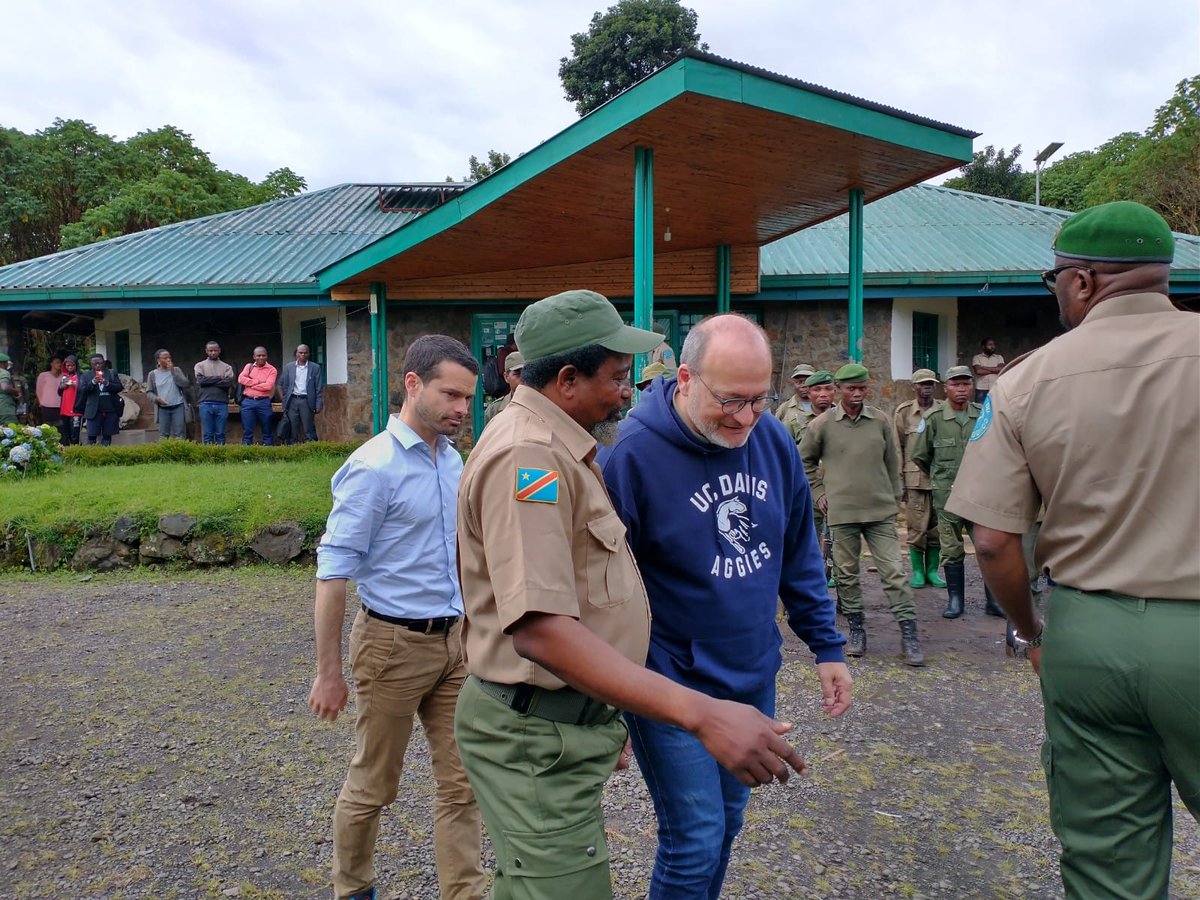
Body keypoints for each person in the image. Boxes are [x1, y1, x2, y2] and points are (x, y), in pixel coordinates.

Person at [455, 289, 810, 900]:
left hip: (568, 722)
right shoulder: (529, 459)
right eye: (618, 378)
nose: (630, 391)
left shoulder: (562, 444)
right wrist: (700, 712)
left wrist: (608, 712)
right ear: (567, 379)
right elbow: (539, 627)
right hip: (536, 732)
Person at [946, 200, 1199, 899]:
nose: (1054, 292)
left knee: (1109, 866)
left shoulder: (1026, 380)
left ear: (1083, 282)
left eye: (1053, 278)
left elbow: (993, 539)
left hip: (1090, 633)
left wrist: (1030, 630)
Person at [598, 314, 851, 898]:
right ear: (685, 378)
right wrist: (614, 706)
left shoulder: (771, 439)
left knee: (730, 823)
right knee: (695, 838)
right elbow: (606, 592)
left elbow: (797, 549)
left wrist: (827, 646)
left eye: (760, 399)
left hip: (752, 671)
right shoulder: (631, 456)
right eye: (731, 401)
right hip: (673, 681)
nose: (745, 418)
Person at [308, 335, 485, 900]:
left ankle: (465, 892)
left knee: (463, 785)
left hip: (455, 645)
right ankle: (352, 888)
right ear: (413, 384)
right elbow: (332, 573)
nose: (462, 408)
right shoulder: (372, 468)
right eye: (450, 394)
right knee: (374, 784)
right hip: (391, 645)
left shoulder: (453, 460)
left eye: (467, 398)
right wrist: (328, 671)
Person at [800, 364, 924, 666]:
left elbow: (892, 462)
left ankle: (910, 636)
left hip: (880, 511)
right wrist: (819, 494)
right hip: (842, 513)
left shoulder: (880, 420)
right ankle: (856, 631)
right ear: (839, 389)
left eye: (862, 389)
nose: (857, 394)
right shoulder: (822, 425)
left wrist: (895, 500)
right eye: (850, 389)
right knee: (846, 573)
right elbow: (802, 462)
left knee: (894, 573)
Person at [911, 366, 995, 619]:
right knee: (951, 549)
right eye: (956, 384)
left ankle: (994, 602)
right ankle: (956, 600)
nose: (961, 389)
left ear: (972, 387)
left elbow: (994, 450)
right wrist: (940, 477)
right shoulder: (934, 417)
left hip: (979, 496)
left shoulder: (982, 415)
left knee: (987, 548)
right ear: (945, 388)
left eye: (966, 384)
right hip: (947, 497)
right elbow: (920, 455)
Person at [893, 369, 946, 589]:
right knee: (916, 527)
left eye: (931, 384)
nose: (927, 387)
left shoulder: (943, 409)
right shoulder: (904, 412)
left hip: (940, 478)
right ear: (914, 387)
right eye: (923, 384)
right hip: (914, 480)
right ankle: (917, 571)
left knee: (937, 528)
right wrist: (899, 480)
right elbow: (897, 448)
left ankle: (932, 571)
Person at [800, 369, 839, 588]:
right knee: (808, 542)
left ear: (834, 392)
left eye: (827, 389)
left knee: (840, 546)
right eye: (817, 389)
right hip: (806, 492)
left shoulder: (844, 419)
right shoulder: (796, 420)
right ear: (808, 393)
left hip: (839, 491)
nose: (823, 394)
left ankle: (842, 591)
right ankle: (810, 584)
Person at [278, 343, 324, 443]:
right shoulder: (289, 367)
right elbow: (282, 385)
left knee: (308, 428)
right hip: (292, 400)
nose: (303, 355)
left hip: (307, 401)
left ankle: (310, 449)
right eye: (301, 352)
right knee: (293, 427)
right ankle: (293, 449)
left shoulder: (315, 368)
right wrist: (284, 401)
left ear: (308, 354)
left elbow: (318, 388)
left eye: (305, 353)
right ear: (296, 354)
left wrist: (318, 403)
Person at [145, 349, 191, 440]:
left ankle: (181, 452)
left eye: (169, 357)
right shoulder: (152, 374)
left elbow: (185, 384)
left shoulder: (176, 370)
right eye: (165, 358)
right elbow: (149, 392)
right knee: (163, 434)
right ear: (158, 360)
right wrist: (157, 399)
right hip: (163, 408)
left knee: (180, 433)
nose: (168, 360)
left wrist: (173, 371)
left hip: (178, 406)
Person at [194, 341, 234, 445]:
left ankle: (220, 457)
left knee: (220, 433)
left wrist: (208, 381)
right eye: (210, 350)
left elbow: (228, 383)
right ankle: (208, 458)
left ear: (219, 351)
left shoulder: (227, 367)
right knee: (208, 433)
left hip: (221, 403)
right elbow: (201, 381)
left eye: (215, 350)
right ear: (206, 351)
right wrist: (219, 378)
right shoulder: (200, 365)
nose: (213, 353)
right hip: (205, 403)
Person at [77, 354, 122, 445]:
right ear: (91, 364)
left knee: (107, 436)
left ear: (104, 363)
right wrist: (93, 382)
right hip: (93, 411)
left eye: (100, 363)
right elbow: (82, 390)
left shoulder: (111, 373)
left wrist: (107, 383)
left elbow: (119, 387)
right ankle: (92, 456)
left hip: (110, 409)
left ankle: (105, 454)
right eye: (95, 363)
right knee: (91, 436)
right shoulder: (86, 376)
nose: (97, 365)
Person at [237, 347, 278, 445]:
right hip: (248, 402)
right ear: (254, 357)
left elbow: (268, 386)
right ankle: (246, 454)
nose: (261, 357)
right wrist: (258, 382)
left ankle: (267, 454)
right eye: (258, 355)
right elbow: (241, 379)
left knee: (267, 430)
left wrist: (250, 384)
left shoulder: (272, 370)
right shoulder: (249, 367)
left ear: (267, 356)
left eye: (263, 355)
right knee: (247, 431)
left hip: (263, 402)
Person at [773, 363, 815, 444]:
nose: (803, 385)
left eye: (807, 381)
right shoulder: (784, 409)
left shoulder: (827, 407)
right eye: (799, 382)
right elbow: (775, 435)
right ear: (794, 384)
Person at [482, 351, 523, 426]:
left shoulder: (543, 405)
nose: (523, 378)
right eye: (518, 374)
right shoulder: (494, 410)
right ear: (506, 377)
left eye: (527, 373)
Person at [56, 356, 81, 445]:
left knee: (75, 434)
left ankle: (76, 451)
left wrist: (75, 386)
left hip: (76, 410)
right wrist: (61, 387)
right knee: (65, 434)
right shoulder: (64, 377)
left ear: (76, 366)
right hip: (64, 410)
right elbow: (59, 393)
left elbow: (84, 390)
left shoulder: (81, 377)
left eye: (71, 365)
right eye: (67, 366)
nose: (69, 367)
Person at [971, 338, 1004, 404]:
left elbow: (1001, 369)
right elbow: (978, 371)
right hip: (981, 388)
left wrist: (983, 367)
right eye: (990, 345)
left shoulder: (999, 357)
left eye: (994, 345)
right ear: (983, 347)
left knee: (995, 409)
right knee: (980, 409)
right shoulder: (977, 357)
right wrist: (995, 370)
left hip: (995, 387)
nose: (993, 346)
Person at [34, 357, 63, 429]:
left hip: (61, 405)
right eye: (57, 362)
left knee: (60, 427)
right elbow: (39, 389)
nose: (60, 364)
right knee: (47, 427)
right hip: (46, 406)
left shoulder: (64, 376)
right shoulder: (43, 375)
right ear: (51, 364)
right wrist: (40, 402)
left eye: (60, 363)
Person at [0, 353, 20, 424]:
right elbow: (4, 387)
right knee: (10, 429)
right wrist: (16, 391)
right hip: (5, 408)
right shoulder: (4, 373)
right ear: (4, 363)